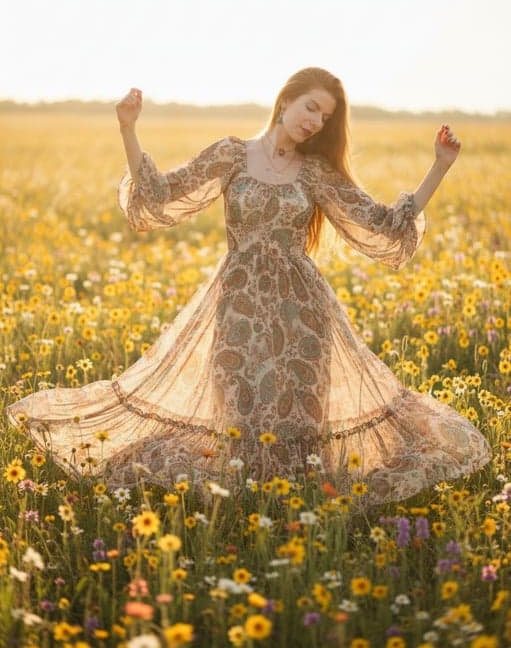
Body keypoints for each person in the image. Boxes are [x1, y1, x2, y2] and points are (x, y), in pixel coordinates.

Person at [6, 67, 491, 507]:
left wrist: (440, 167)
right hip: (236, 307)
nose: (316, 122)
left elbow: (383, 226)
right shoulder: (231, 154)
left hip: (303, 316)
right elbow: (157, 197)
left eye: (325, 117)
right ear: (285, 102)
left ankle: (298, 518)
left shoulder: (317, 172)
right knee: (239, 420)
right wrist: (128, 129)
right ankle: (241, 516)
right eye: (311, 108)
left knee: (300, 430)